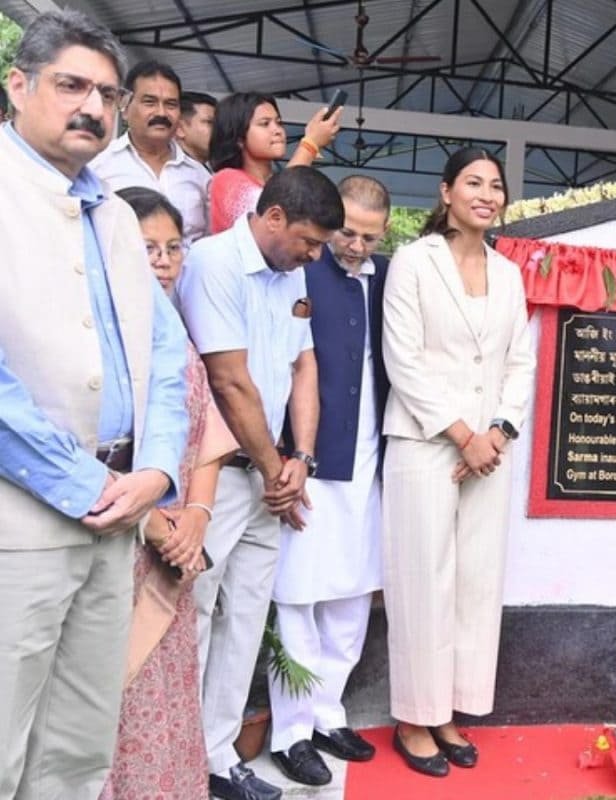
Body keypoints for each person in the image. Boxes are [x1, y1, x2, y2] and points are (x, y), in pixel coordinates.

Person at [0, 10, 189, 797]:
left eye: (106, 94)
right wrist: (87, 488)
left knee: (79, 748)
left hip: (118, 515)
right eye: (72, 85)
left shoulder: (115, 211)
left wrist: (154, 471)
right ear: (18, 85)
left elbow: (164, 356)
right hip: (25, 519)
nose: (92, 107)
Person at [176, 166, 344, 800]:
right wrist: (280, 475)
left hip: (269, 478)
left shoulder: (290, 268)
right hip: (213, 478)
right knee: (192, 618)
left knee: (244, 622)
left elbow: (304, 363)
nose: (315, 254)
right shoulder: (213, 263)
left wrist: (299, 456)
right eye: (309, 240)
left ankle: (218, 760)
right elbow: (229, 381)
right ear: (274, 217)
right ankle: (180, 758)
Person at [381, 146, 536, 778]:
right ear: (446, 192)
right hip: (425, 446)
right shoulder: (414, 265)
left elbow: (520, 361)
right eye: (473, 182)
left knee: (476, 582)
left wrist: (496, 433)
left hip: (488, 455)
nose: (486, 194)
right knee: (424, 582)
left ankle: (450, 710)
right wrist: (461, 433)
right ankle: (413, 717)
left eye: (495, 186)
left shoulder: (509, 272)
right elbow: (403, 360)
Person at [101, 187, 237, 800]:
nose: (160, 260)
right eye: (145, 246)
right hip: (113, 544)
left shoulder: (175, 328)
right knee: (106, 702)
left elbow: (206, 431)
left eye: (172, 247)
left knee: (167, 694)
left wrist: (198, 520)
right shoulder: (98, 328)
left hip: (176, 551)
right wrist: (157, 526)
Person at [267, 175, 391, 786]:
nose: (355, 247)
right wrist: (291, 457)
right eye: (347, 232)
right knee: (298, 599)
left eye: (369, 236)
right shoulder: (299, 268)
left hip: (371, 464)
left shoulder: (390, 276)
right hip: (311, 461)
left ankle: (327, 713)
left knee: (350, 602)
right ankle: (290, 733)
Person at [90, 61, 211, 243]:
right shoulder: (98, 166)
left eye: (171, 104)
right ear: (124, 108)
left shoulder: (200, 176)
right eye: (150, 102)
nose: (161, 113)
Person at [208, 92, 341, 234]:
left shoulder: (272, 182)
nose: (277, 130)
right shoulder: (226, 180)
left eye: (278, 122)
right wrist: (310, 144)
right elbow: (270, 217)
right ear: (239, 139)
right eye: (265, 124)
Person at [177, 90, 216, 166]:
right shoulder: (170, 171)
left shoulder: (213, 168)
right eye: (209, 122)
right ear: (180, 129)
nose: (218, 129)